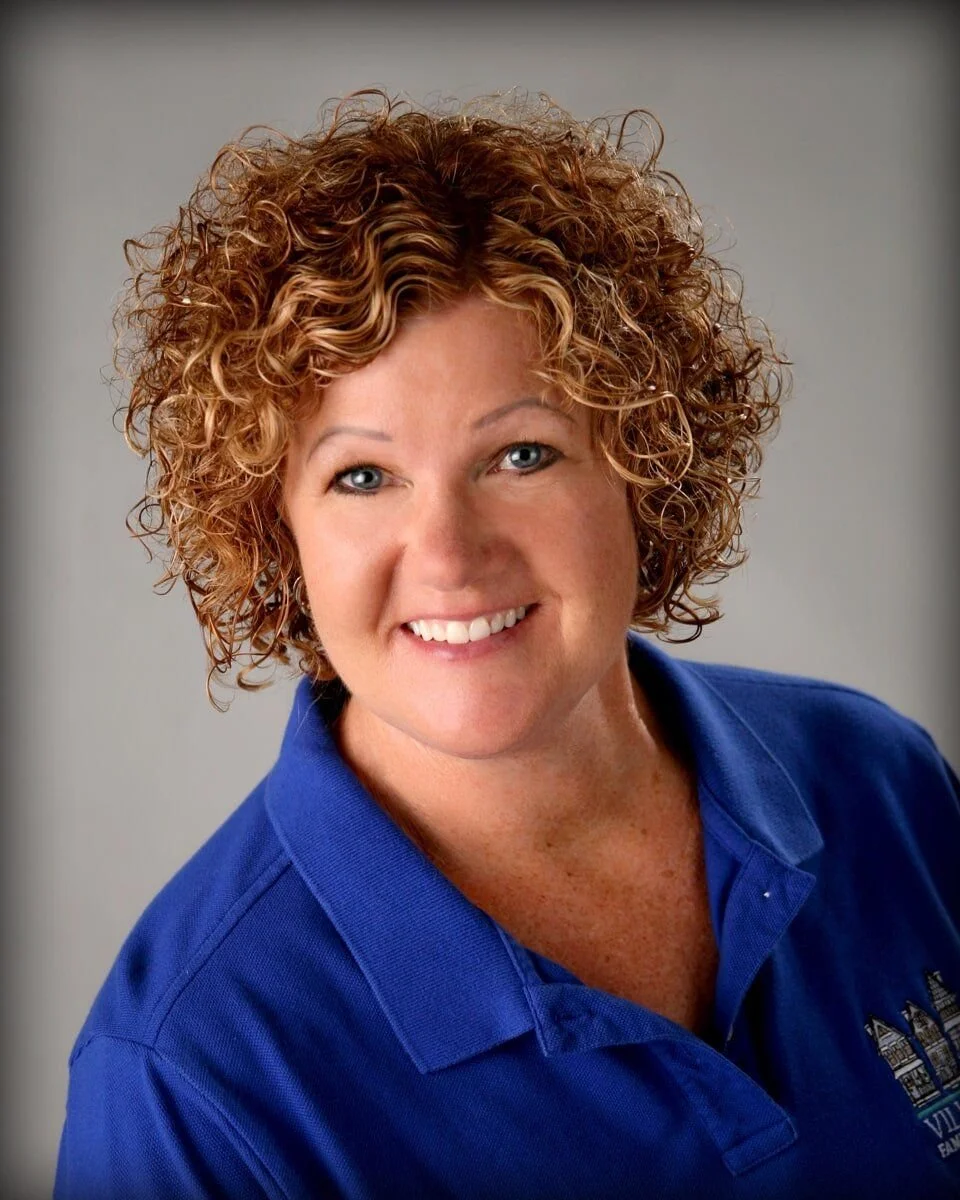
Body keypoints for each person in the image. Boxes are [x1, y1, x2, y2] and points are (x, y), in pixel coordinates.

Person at [55, 90, 960, 1199]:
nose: (447, 553)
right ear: (274, 530)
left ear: (644, 458)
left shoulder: (881, 781)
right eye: (362, 476)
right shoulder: (187, 1076)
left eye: (520, 455)